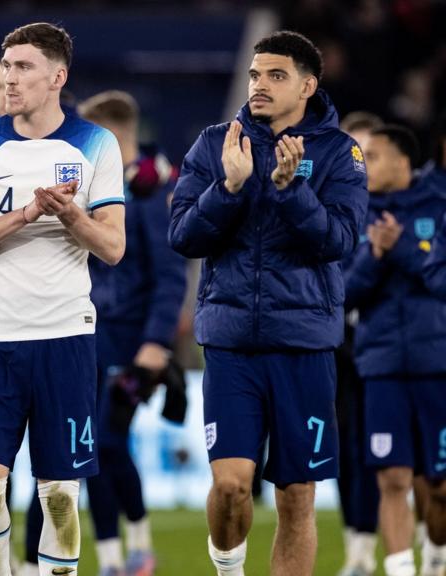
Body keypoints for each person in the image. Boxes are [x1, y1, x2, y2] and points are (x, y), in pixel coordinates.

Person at [168, 31, 368, 575]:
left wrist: (289, 188)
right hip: (231, 343)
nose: (259, 85)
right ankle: (228, 569)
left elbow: (339, 243)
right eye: (256, 75)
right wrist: (227, 189)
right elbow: (183, 236)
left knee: (297, 495)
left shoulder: (339, 153)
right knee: (231, 485)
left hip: (304, 346)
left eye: (275, 76)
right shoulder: (216, 144)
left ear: (308, 85)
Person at [0, 22, 126, 576]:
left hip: (65, 338)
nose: (10, 77)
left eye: (23, 67)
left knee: (60, 497)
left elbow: (113, 246)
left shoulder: (96, 144)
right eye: (6, 65)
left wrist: (71, 216)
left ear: (57, 77)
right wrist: (25, 214)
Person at [22, 90, 185, 576]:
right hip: (80, 337)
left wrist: (155, 344)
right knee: (73, 449)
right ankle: (107, 558)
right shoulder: (92, 190)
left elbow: (171, 276)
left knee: (104, 444)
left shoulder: (154, 196)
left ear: (111, 138)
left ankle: (136, 546)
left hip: (131, 345)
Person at [345, 124, 446, 576]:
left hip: (436, 363)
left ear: (403, 162)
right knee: (392, 477)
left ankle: (437, 557)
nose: (364, 163)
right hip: (380, 364)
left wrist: (398, 247)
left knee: (438, 485)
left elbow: (437, 276)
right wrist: (373, 254)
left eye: (374, 155)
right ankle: (401, 569)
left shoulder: (439, 207)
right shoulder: (354, 212)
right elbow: (343, 293)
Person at [336, 110, 384, 576]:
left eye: (370, 154)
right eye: (356, 153)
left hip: (383, 347)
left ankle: (369, 549)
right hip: (338, 346)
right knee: (346, 450)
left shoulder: (396, 213)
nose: (362, 163)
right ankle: (357, 551)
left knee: (373, 450)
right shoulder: (334, 208)